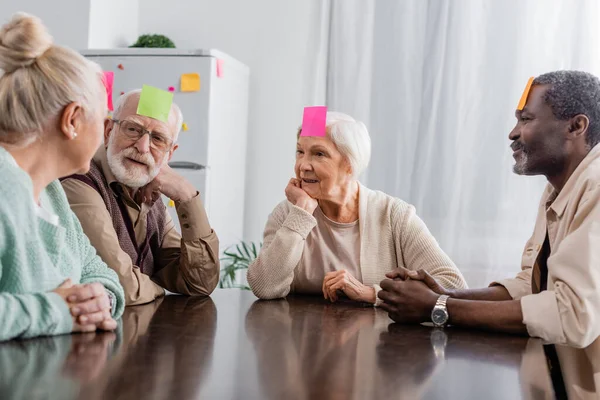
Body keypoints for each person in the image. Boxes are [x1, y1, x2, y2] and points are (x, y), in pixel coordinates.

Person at [378, 70, 600, 397]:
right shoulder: (559, 188)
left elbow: (572, 316)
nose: (513, 133)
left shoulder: (595, 186)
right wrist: (447, 295)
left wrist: (437, 307)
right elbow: (533, 285)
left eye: (526, 119)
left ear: (575, 127)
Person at [247, 112, 466, 304]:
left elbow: (453, 285)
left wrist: (370, 293)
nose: (303, 165)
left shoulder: (394, 215)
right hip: (304, 342)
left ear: (350, 164)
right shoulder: (289, 213)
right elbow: (265, 287)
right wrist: (302, 211)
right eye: (299, 152)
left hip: (378, 345)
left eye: (319, 154)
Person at [0, 13, 125, 341]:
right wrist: (57, 311)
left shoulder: (52, 192)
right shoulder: (4, 187)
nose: (104, 136)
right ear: (72, 120)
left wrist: (102, 300)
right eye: (102, 121)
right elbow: (59, 307)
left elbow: (100, 274)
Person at [61, 90, 220, 306]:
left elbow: (199, 284)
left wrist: (187, 196)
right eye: (133, 129)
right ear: (108, 131)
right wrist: (158, 288)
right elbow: (121, 287)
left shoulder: (148, 190)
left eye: (158, 139)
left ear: (170, 153)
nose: (142, 147)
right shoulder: (80, 180)